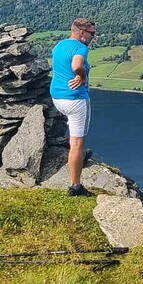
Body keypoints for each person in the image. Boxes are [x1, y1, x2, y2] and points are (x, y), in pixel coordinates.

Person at [51, 17, 97, 197]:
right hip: (76, 99)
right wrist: (82, 75)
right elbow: (77, 64)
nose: (93, 36)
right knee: (77, 142)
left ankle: (79, 156)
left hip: (58, 97)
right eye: (91, 33)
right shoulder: (81, 47)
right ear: (81, 32)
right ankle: (75, 186)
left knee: (75, 139)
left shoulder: (59, 45)